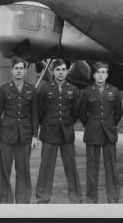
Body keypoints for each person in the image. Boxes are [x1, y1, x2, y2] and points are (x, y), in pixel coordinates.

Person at [0, 57, 39, 203]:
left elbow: (35, 114)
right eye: (16, 68)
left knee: (23, 170)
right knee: (5, 171)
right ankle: (6, 203)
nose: (19, 71)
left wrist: (35, 136)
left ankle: (23, 202)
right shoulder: (4, 89)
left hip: (24, 136)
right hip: (6, 136)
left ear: (25, 71)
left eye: (21, 68)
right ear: (12, 70)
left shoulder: (31, 89)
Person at [35, 59, 82, 204]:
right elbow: (40, 111)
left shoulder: (73, 89)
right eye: (58, 70)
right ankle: (43, 197)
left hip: (67, 132)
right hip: (49, 132)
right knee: (46, 166)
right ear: (53, 72)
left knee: (71, 166)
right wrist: (48, 124)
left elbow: (75, 112)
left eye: (63, 69)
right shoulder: (45, 88)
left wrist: (67, 124)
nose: (61, 72)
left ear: (67, 71)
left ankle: (75, 197)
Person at [80, 62, 123, 203]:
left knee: (111, 167)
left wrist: (110, 124)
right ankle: (92, 199)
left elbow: (118, 113)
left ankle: (113, 197)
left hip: (109, 133)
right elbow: (82, 113)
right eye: (98, 73)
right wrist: (91, 124)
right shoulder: (87, 91)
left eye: (103, 72)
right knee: (91, 168)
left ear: (107, 75)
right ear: (94, 75)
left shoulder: (114, 91)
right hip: (93, 132)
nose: (100, 75)